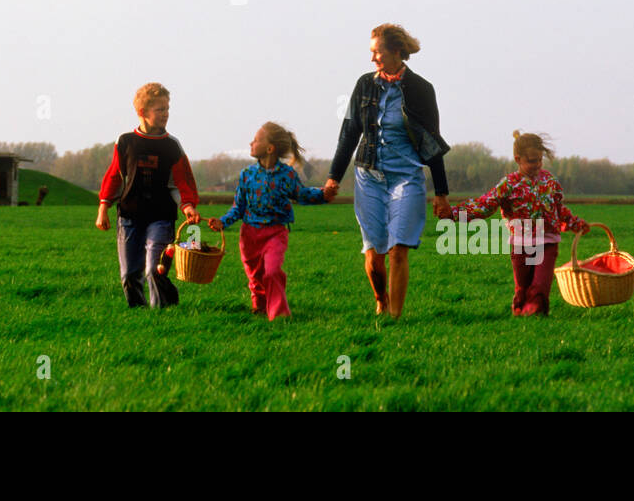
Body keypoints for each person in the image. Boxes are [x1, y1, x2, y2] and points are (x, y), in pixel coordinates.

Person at [325, 23, 452, 318]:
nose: (373, 59)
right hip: (368, 176)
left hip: (406, 177)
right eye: (372, 53)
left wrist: (441, 194)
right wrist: (333, 176)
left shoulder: (421, 89)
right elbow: (349, 133)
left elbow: (432, 141)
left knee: (398, 250)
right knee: (374, 256)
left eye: (377, 52)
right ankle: (380, 297)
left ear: (396, 52)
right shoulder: (364, 85)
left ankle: (395, 316)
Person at [439, 131, 589, 316]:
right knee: (523, 287)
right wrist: (454, 214)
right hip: (520, 244)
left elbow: (558, 209)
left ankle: (536, 312)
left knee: (540, 286)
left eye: (540, 160)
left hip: (547, 241)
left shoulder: (550, 181)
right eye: (532, 161)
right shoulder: (509, 184)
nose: (537, 165)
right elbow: (485, 204)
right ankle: (521, 310)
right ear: (518, 159)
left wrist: (576, 224)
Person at [208, 122, 335, 320]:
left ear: (270, 148)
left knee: (272, 271)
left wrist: (322, 194)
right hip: (249, 235)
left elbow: (301, 194)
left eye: (256, 140)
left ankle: (279, 314)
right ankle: (259, 305)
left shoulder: (287, 175)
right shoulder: (246, 175)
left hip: (276, 233)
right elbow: (238, 207)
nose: (251, 142)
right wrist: (222, 222)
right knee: (255, 276)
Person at [95, 83, 200, 308]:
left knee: (155, 269)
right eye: (160, 109)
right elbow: (115, 176)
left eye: (167, 109)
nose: (166, 114)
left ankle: (164, 311)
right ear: (142, 112)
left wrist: (188, 205)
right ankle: (138, 314)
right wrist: (103, 208)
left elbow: (182, 180)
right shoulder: (125, 141)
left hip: (161, 216)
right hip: (129, 216)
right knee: (130, 275)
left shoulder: (172, 145)